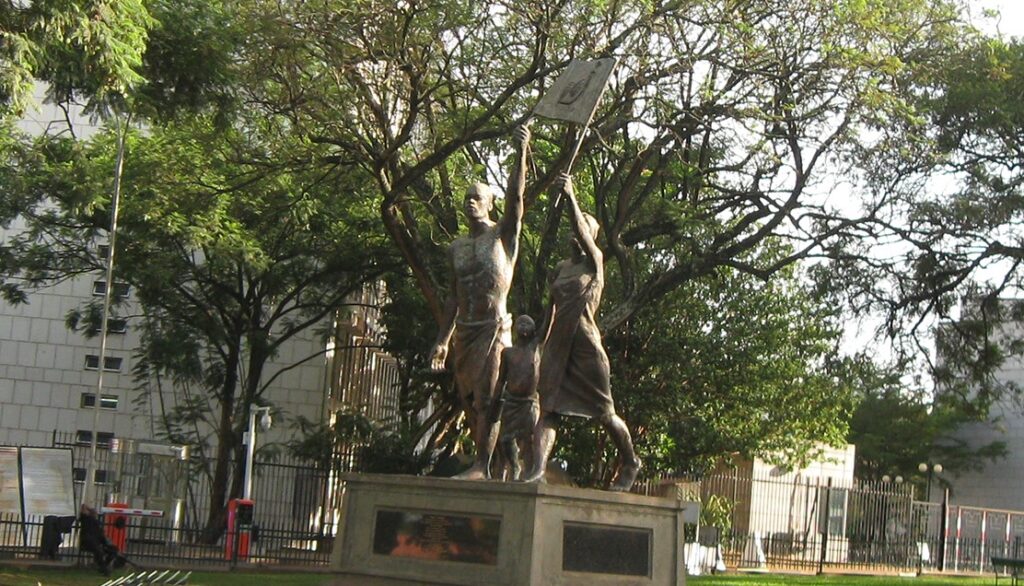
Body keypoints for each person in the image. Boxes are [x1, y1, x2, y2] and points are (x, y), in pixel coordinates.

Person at [524, 174, 641, 491]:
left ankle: (630, 461)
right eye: (575, 232)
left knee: (605, 413)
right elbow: (550, 310)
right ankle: (537, 469)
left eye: (583, 231)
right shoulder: (562, 269)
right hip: (557, 347)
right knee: (548, 411)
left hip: (586, 346)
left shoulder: (595, 263)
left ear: (591, 237)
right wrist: (537, 343)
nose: (576, 236)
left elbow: (582, 231)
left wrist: (571, 196)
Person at [429, 124, 530, 479]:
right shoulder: (456, 247)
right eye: (467, 199)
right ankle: (506, 461)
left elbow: (517, 202)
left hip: (493, 329)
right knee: (471, 401)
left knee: (488, 399)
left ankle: (482, 466)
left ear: (490, 204)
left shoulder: (503, 237)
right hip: (465, 332)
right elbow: (453, 297)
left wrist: (521, 153)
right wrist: (442, 341)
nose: (471, 203)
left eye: (478, 198)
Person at [488, 314, 540, 480]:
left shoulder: (535, 348)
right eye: (520, 323)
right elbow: (501, 379)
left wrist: (553, 301)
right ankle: (514, 465)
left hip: (529, 402)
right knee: (505, 439)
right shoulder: (507, 353)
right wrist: (495, 400)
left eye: (528, 323)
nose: (523, 326)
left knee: (530, 439)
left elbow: (548, 324)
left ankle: (532, 471)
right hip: (511, 402)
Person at [78, 504, 119, 575]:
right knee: (98, 551)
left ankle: (104, 565)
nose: (95, 514)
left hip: (97, 542)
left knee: (113, 550)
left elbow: (101, 535)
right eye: (94, 513)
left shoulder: (97, 523)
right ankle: (103, 569)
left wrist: (106, 544)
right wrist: (89, 508)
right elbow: (83, 507)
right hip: (87, 542)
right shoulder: (85, 519)